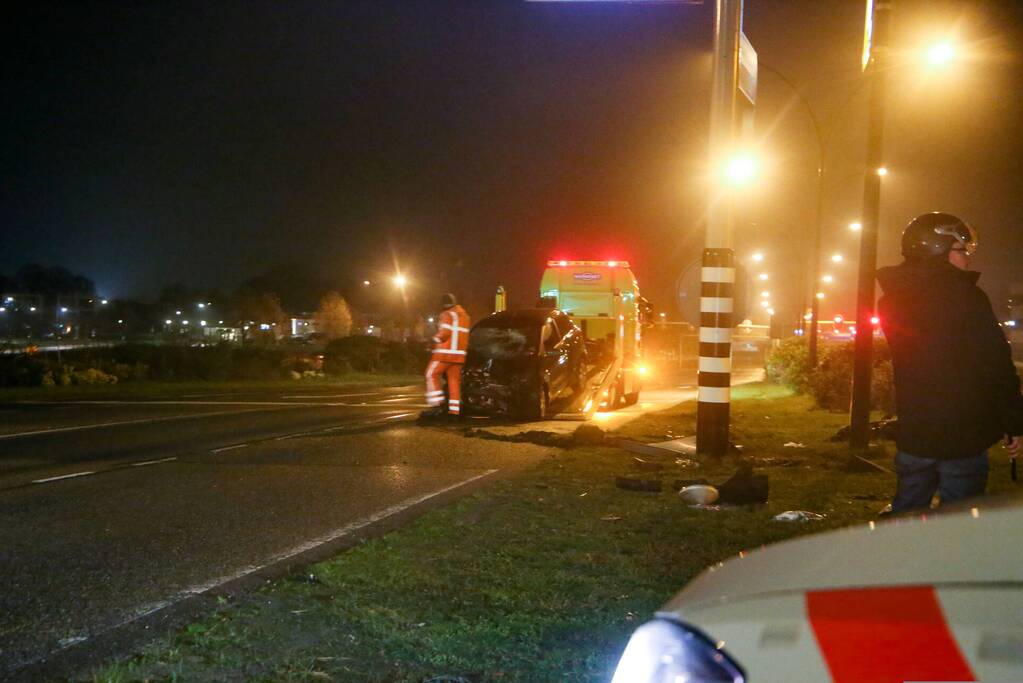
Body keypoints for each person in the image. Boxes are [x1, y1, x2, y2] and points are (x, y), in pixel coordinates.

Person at [877, 211, 1023, 512]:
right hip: (963, 435)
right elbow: (996, 365)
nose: (968, 258)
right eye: (961, 250)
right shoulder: (969, 298)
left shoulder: (891, 300)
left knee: (908, 512)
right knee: (958, 520)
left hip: (915, 431)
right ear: (938, 250)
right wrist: (1013, 422)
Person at [424, 293, 470, 419]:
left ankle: (436, 406)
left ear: (443, 304)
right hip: (459, 356)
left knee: (431, 374)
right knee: (453, 380)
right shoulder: (465, 316)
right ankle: (455, 412)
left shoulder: (447, 314)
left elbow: (444, 333)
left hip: (445, 354)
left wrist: (434, 339)